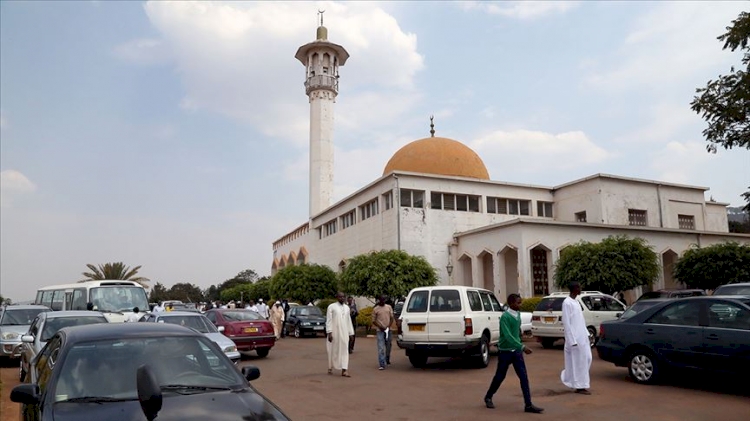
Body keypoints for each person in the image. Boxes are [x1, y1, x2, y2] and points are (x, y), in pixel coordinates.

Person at [484, 294, 543, 414]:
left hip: (516, 352)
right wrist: (522, 346)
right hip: (505, 351)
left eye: (520, 302)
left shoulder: (518, 315)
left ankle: (528, 404)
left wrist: (520, 343)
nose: (520, 305)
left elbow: (516, 332)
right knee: (500, 377)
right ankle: (488, 396)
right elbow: (507, 336)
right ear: (511, 304)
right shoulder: (505, 317)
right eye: (518, 303)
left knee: (524, 377)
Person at [561, 281, 593, 395]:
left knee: (587, 358)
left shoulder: (576, 302)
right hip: (574, 339)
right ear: (574, 289)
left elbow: (580, 320)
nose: (581, 288)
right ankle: (580, 386)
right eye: (579, 287)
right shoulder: (567, 303)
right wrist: (571, 340)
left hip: (582, 337)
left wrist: (587, 335)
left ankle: (578, 382)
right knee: (579, 362)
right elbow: (566, 322)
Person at [326, 292, 355, 377]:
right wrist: (329, 332)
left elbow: (348, 320)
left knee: (345, 350)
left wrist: (351, 333)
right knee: (332, 350)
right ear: (337, 297)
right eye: (340, 297)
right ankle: (330, 367)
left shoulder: (347, 308)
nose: (342, 298)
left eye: (343, 297)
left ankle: (344, 370)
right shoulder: (331, 307)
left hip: (344, 332)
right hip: (334, 332)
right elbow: (329, 320)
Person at [372, 295, 394, 370]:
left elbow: (391, 318)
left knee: (388, 346)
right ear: (379, 300)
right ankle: (382, 363)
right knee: (381, 347)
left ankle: (387, 359)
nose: (383, 301)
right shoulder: (376, 309)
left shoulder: (388, 307)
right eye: (381, 300)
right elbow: (373, 321)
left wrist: (388, 326)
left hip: (388, 330)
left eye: (384, 300)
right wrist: (380, 327)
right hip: (380, 331)